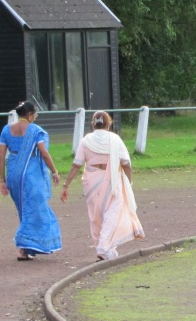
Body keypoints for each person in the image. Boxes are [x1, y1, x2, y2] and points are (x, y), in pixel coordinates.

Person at [61, 110, 145, 261]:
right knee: (112, 214)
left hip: (91, 180)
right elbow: (126, 164)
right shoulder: (114, 139)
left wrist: (66, 185)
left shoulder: (86, 140)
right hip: (112, 180)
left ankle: (107, 248)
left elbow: (76, 164)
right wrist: (129, 181)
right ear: (109, 124)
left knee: (96, 215)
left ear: (93, 124)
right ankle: (103, 247)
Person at [0, 100, 62, 259]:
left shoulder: (6, 130)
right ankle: (22, 245)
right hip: (31, 173)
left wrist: (2, 179)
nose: (36, 117)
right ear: (29, 114)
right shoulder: (35, 130)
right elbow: (44, 154)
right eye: (35, 114)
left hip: (13, 172)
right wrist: (54, 171)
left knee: (24, 209)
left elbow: (0, 156)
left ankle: (28, 249)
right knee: (35, 210)